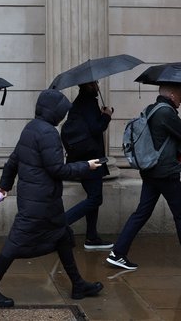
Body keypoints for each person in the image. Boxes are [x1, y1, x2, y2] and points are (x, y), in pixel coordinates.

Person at [0, 89, 104, 307]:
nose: (64, 116)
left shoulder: (31, 128)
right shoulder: (48, 133)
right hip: (40, 203)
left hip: (40, 200)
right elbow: (58, 169)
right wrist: (87, 166)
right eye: (62, 112)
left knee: (63, 237)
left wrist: (4, 186)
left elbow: (12, 162)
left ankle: (78, 284)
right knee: (14, 245)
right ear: (53, 112)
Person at [106, 85, 181, 272]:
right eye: (180, 94)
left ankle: (118, 253)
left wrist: (177, 123)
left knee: (141, 212)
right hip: (165, 174)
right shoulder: (166, 112)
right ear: (172, 94)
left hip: (151, 171)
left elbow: (163, 135)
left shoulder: (151, 109)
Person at [62, 81, 114, 250]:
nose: (98, 85)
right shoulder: (89, 102)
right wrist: (106, 115)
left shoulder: (79, 102)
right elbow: (96, 128)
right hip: (90, 158)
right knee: (96, 198)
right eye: (95, 83)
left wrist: (100, 115)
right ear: (89, 86)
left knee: (94, 196)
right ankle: (61, 222)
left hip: (83, 156)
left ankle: (92, 237)